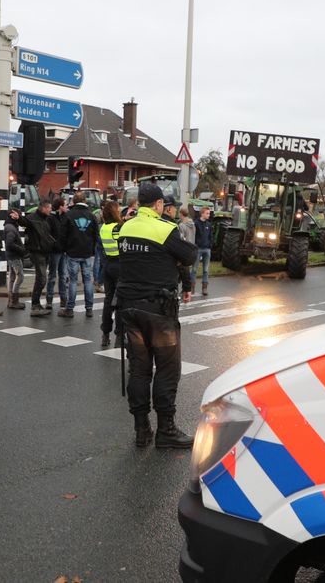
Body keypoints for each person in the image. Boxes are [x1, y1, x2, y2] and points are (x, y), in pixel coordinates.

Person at [116, 183, 198, 449]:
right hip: (157, 311)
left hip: (129, 308)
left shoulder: (126, 226)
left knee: (138, 370)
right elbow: (189, 255)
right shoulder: (165, 229)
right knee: (167, 368)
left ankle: (141, 429)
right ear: (159, 205)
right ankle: (166, 430)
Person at [63, 192, 98, 318]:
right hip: (87, 252)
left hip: (72, 251)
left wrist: (65, 248)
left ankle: (70, 308)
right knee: (88, 280)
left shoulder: (69, 215)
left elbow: (63, 234)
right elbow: (96, 234)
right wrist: (92, 249)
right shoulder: (91, 215)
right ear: (85, 200)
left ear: (74, 201)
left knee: (73, 280)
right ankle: (89, 308)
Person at [25, 199, 56, 315]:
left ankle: (36, 304)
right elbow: (24, 223)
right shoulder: (33, 218)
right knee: (42, 278)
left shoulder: (46, 219)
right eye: (49, 208)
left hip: (44, 251)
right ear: (43, 208)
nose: (51, 210)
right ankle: (35, 305)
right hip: (37, 252)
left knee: (41, 278)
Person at [99, 200, 123, 348]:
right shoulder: (119, 227)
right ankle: (119, 336)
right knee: (120, 302)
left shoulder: (103, 228)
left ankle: (105, 334)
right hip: (120, 266)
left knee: (108, 301)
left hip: (107, 265)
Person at [46, 197, 70, 311]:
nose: (67, 206)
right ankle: (49, 300)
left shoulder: (66, 217)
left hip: (64, 251)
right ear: (60, 206)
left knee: (63, 276)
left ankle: (63, 299)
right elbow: (48, 233)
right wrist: (54, 244)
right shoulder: (51, 218)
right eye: (65, 204)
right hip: (55, 251)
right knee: (52, 276)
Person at [4, 207, 27, 310]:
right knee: (20, 276)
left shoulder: (9, 226)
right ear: (12, 215)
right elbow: (9, 243)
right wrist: (21, 250)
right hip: (14, 256)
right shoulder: (11, 228)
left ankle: (11, 300)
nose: (19, 217)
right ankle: (14, 300)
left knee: (12, 277)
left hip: (10, 255)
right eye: (17, 215)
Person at [191, 205, 213, 295]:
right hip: (198, 249)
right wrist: (196, 245)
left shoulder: (209, 224)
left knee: (206, 270)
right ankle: (191, 287)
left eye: (209, 213)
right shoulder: (195, 224)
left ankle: (204, 288)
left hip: (207, 249)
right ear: (202, 214)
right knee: (194, 269)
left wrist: (210, 245)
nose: (209, 215)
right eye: (207, 213)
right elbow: (193, 236)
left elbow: (211, 236)